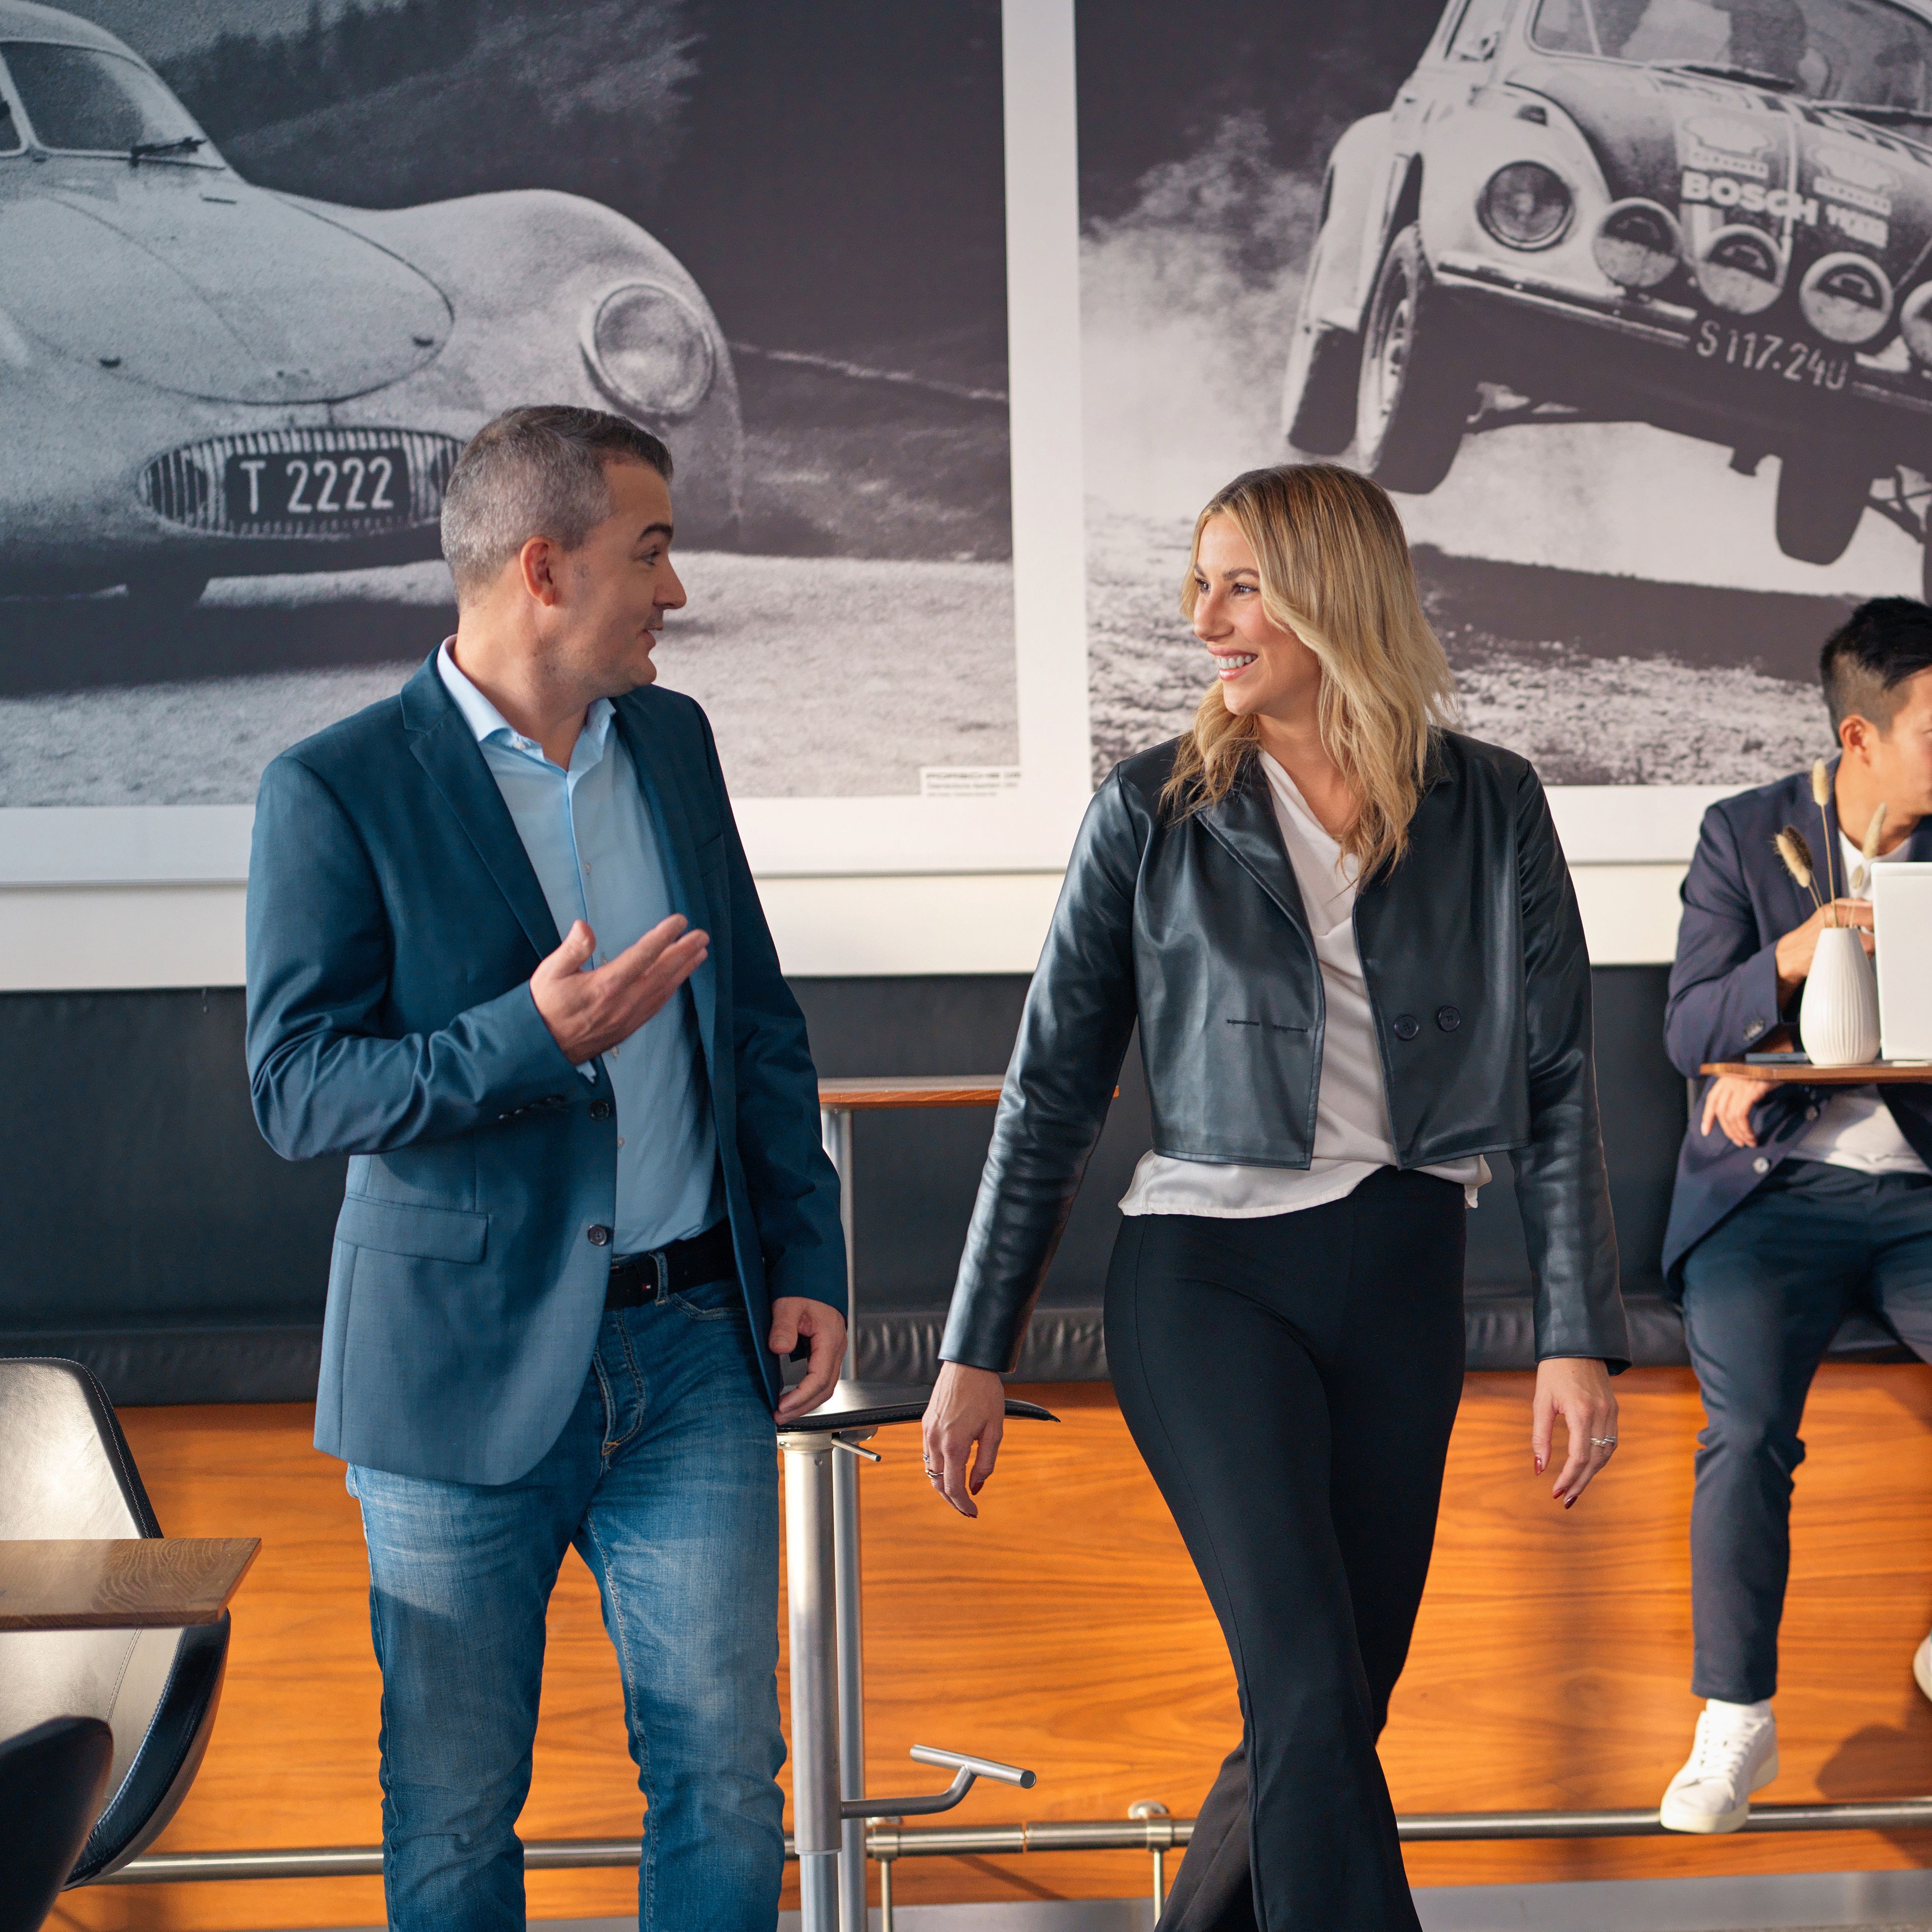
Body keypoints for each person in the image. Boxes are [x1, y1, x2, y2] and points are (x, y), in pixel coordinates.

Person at [921, 464, 1629, 1932]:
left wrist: (1576, 1333)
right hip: (1208, 1280)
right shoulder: (1152, 809)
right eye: (1202, 584)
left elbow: (1560, 1081)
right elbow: (1052, 1090)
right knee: (1306, 1683)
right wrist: (975, 1347)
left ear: (1332, 595)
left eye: (1241, 586)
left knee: (1333, 1707)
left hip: (1405, 1273)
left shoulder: (1492, 802)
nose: (1206, 621)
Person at [245, 406, 847, 1931]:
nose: (676, 590)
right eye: (651, 552)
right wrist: (529, 1038)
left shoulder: (675, 742)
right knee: (454, 1811)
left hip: (695, 1345)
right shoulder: (335, 786)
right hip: (454, 1367)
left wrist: (808, 1256)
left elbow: (756, 1017)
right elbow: (296, 1090)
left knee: (726, 1779)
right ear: (544, 569)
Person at [1659, 596, 1932, 1833]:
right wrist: (1787, 963)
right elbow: (1686, 1032)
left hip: (1924, 1194)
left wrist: (1778, 1061)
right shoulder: (1744, 832)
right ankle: (1737, 1722)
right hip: (1772, 1192)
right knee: (1749, 1428)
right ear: (1861, 737)